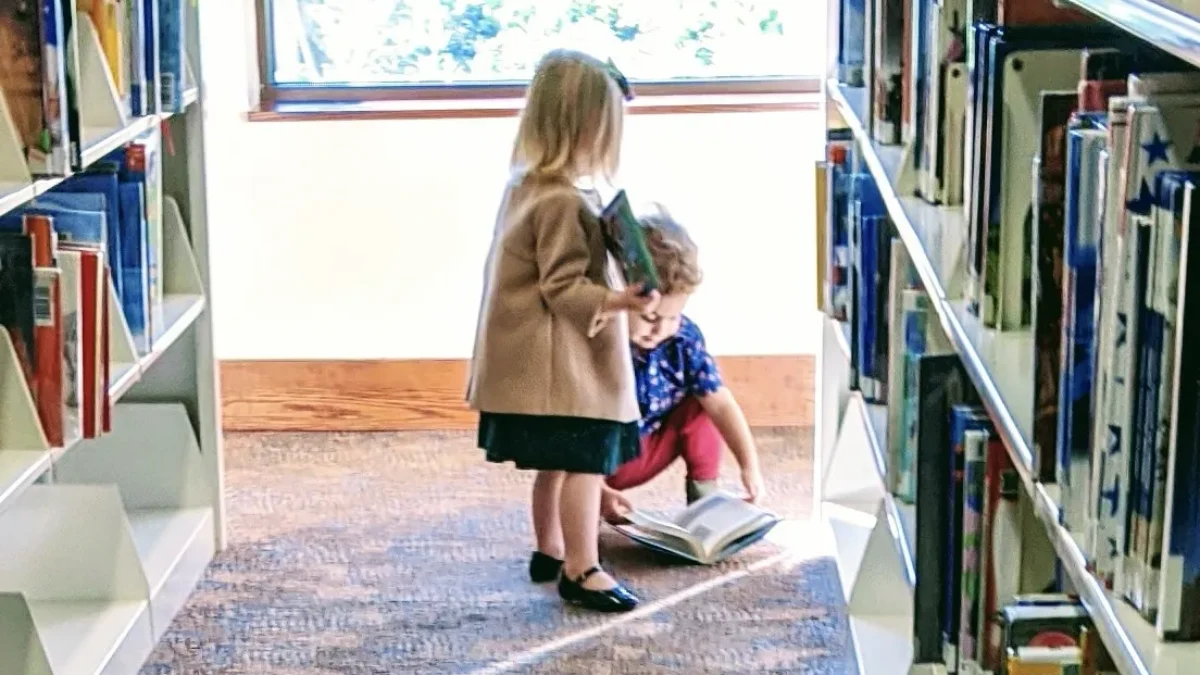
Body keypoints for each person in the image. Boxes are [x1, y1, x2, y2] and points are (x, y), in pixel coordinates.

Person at [467, 49, 657, 613]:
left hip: (537, 364)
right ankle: (582, 567)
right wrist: (624, 298)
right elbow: (563, 287)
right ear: (587, 131)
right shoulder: (561, 202)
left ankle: (549, 548)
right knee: (583, 463)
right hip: (562, 369)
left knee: (555, 464)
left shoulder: (527, 184)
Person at [596, 210, 766, 524]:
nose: (660, 329)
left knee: (703, 402)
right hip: (595, 458)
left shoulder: (684, 340)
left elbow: (722, 405)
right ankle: (587, 501)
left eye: (672, 318)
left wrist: (749, 465)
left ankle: (704, 508)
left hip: (645, 448)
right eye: (650, 317)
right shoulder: (600, 339)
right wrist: (598, 490)